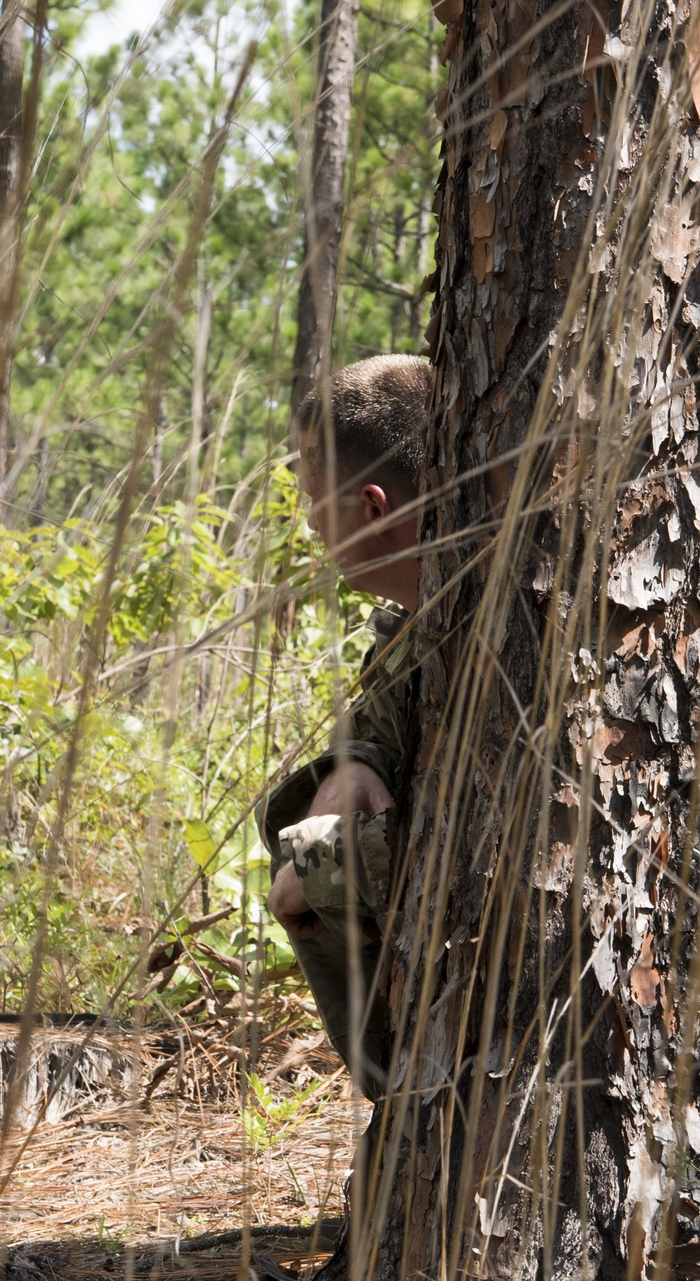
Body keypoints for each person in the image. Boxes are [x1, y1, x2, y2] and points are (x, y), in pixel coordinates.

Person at [258, 355, 432, 1098]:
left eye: (310, 498)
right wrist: (350, 761)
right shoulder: (409, 630)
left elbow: (462, 859)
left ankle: (405, 1095)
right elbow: (379, 726)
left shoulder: (497, 637)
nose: (306, 522)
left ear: (369, 506)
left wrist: (312, 873)